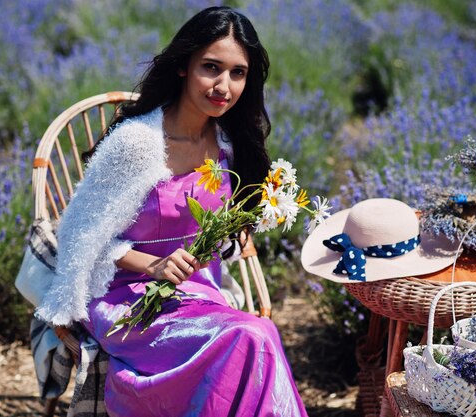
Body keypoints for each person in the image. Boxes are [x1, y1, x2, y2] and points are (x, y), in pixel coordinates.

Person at [36, 6, 308, 416]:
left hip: (195, 291)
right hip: (122, 297)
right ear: (184, 66)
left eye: (238, 73)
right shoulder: (137, 143)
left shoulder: (229, 145)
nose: (223, 86)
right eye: (211, 67)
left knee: (254, 336)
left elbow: (221, 232)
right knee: (251, 336)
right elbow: (80, 235)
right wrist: (153, 265)